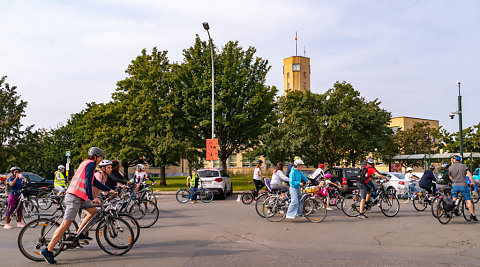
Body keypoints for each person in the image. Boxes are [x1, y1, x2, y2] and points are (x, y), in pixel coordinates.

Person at [42, 147, 117, 264]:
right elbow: (88, 181)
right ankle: (48, 250)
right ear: (95, 156)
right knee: (65, 224)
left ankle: (79, 233)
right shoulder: (91, 164)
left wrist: (108, 189)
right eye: (100, 158)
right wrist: (93, 197)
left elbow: (94, 182)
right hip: (73, 197)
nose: (100, 160)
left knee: (93, 211)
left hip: (80, 196)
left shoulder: (86, 163)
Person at [449, 155, 477, 221]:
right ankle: (472, 214)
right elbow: (469, 174)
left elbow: (450, 176)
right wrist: (472, 182)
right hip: (463, 185)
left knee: (454, 198)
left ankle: (453, 207)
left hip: (454, 185)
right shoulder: (464, 166)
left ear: (454, 160)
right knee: (468, 201)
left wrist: (454, 181)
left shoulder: (450, 167)